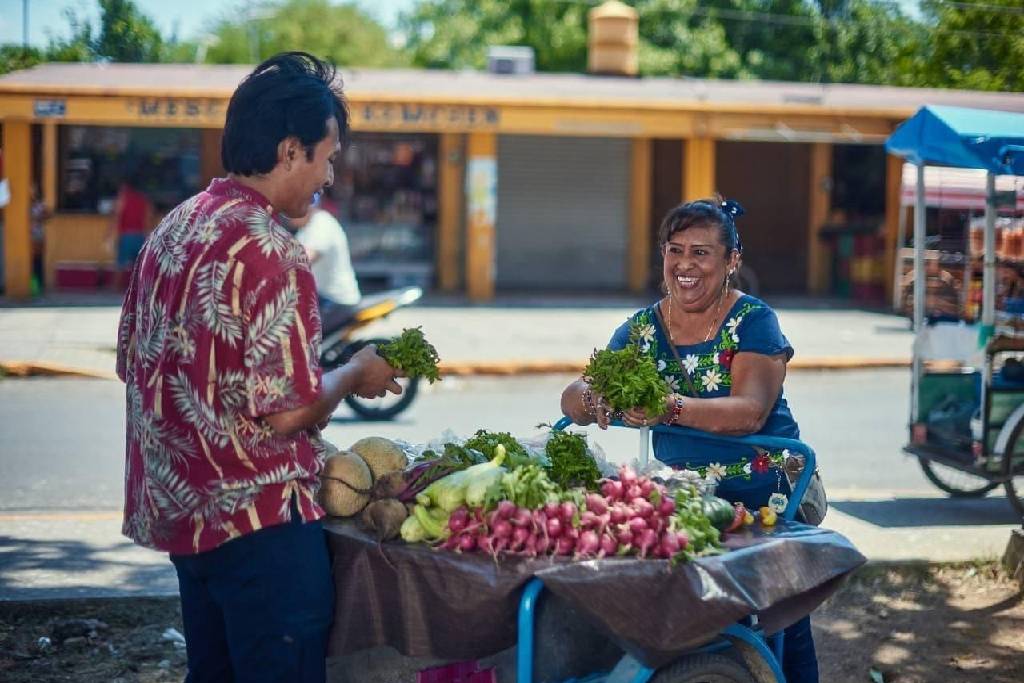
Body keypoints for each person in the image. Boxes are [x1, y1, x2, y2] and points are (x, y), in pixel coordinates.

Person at [115, 52, 402, 683]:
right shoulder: (273, 252)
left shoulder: (175, 227)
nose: (328, 176)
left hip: (184, 517)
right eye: (327, 158)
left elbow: (133, 361)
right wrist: (355, 373)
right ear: (291, 151)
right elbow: (289, 411)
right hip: (259, 527)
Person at [560, 198, 819, 683]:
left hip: (765, 496)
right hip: (685, 499)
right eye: (674, 250)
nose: (685, 264)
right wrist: (591, 397)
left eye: (701, 253)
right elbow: (573, 396)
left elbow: (749, 412)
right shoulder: (642, 328)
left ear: (731, 261)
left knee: (780, 620)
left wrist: (668, 408)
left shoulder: (753, 321)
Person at [290, 205, 361, 331]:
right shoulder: (307, 227)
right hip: (323, 299)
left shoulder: (320, 224)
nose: (287, 217)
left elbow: (303, 260)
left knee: (297, 335)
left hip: (336, 302)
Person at [106, 171, 153, 286]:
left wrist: (108, 235)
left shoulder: (123, 198)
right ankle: (142, 289)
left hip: (126, 236)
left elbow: (116, 217)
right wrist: (149, 235)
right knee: (141, 267)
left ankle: (115, 287)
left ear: (125, 186)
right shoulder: (143, 199)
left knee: (120, 265)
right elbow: (149, 217)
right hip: (140, 236)